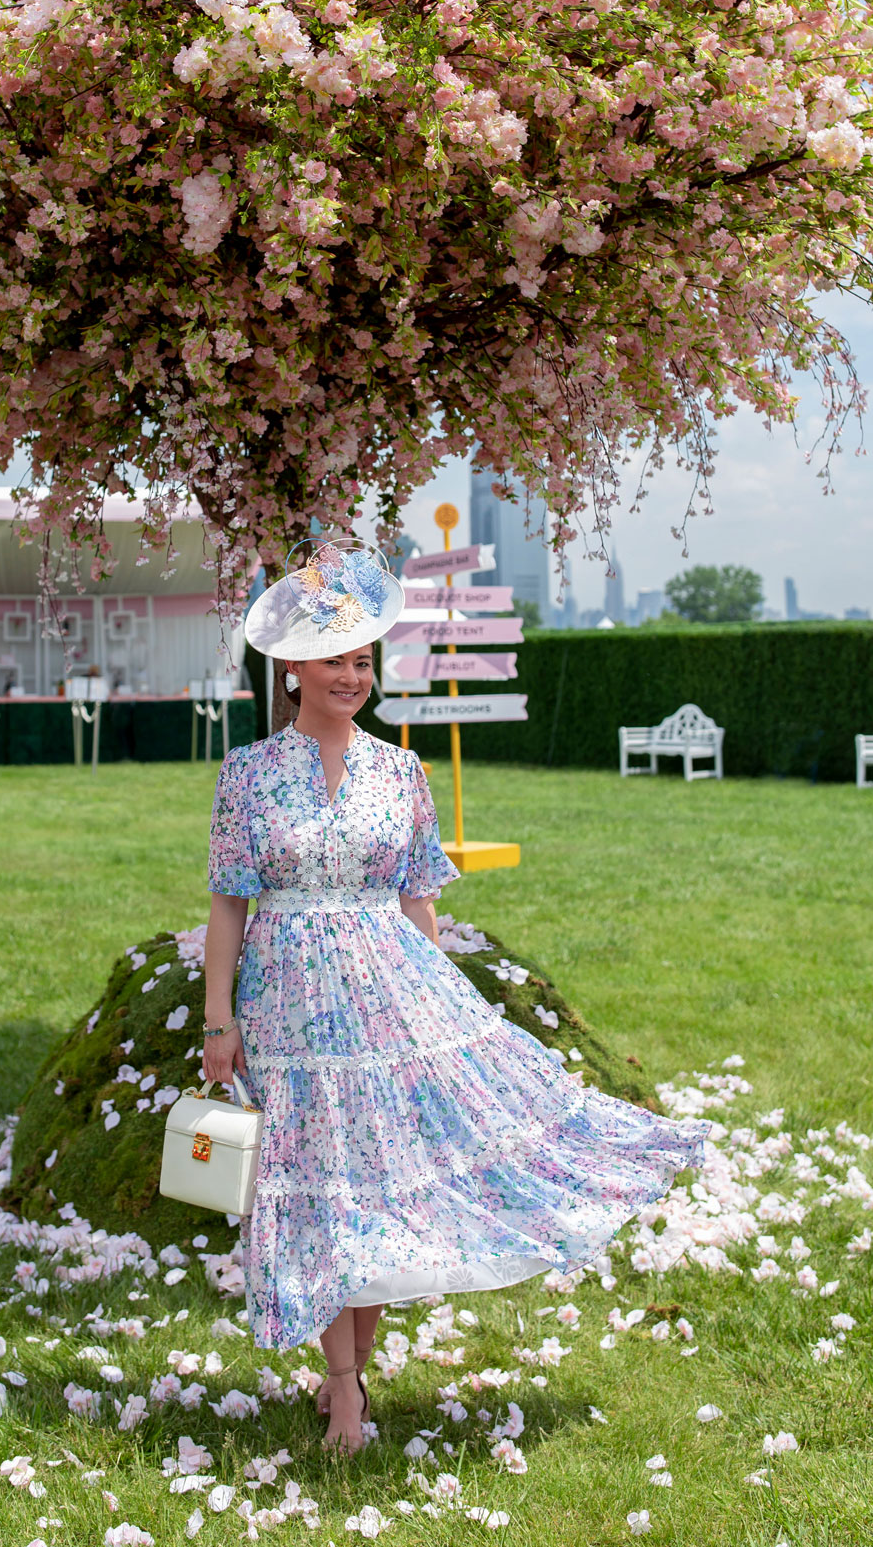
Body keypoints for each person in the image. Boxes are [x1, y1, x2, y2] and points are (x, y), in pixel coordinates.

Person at [203, 539, 711, 1456]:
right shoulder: (245, 776)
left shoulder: (402, 773)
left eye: (364, 659)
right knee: (322, 1183)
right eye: (335, 659)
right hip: (287, 1003)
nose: (353, 675)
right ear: (291, 669)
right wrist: (218, 1021)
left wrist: (444, 1016)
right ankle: (346, 1385)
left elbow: (419, 899)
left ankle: (346, 1381)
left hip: (392, 997)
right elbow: (228, 903)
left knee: (379, 1180)